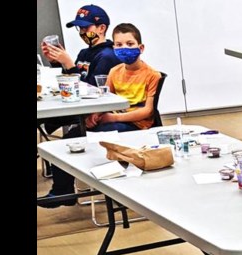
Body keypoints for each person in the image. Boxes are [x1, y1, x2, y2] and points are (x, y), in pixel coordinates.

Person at [41, 22, 161, 207]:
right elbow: (105, 99)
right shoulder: (114, 71)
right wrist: (95, 114)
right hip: (111, 119)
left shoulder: (152, 74)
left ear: (141, 47)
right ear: (114, 47)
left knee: (99, 135)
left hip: (135, 124)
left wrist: (113, 117)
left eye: (130, 44)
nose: (124, 49)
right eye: (119, 45)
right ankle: (62, 192)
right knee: (67, 141)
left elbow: (147, 111)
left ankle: (114, 188)